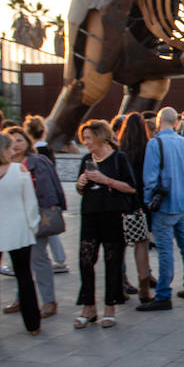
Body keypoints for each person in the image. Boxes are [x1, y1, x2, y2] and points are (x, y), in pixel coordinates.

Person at [0, 132, 41, 343]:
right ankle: (32, 324)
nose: (13, 151)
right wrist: (33, 227)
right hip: (18, 231)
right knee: (24, 278)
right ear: (2, 149)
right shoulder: (18, 170)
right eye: (10, 147)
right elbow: (30, 204)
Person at [74, 120, 137, 328]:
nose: (86, 142)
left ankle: (110, 306)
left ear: (101, 136)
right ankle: (88, 306)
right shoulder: (86, 159)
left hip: (112, 215)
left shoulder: (119, 158)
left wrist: (105, 179)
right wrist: (80, 184)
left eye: (89, 138)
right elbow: (80, 189)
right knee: (85, 259)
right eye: (84, 138)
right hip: (90, 214)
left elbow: (131, 188)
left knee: (113, 261)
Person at [138, 107, 184, 311]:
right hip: (182, 204)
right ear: (176, 122)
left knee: (165, 250)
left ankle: (164, 294)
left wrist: (149, 204)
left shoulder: (155, 144)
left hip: (164, 206)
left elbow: (150, 178)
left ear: (158, 121)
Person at [2, 126, 66, 318]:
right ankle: (22, 298)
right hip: (12, 218)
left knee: (38, 258)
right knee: (19, 262)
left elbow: (47, 189)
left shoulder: (37, 161)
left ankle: (48, 301)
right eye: (11, 141)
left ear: (27, 143)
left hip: (35, 216)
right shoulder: (2, 163)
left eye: (19, 140)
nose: (15, 145)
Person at [24, 114, 68, 273]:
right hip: (47, 195)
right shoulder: (47, 149)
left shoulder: (37, 152)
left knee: (46, 228)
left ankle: (60, 259)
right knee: (48, 229)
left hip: (41, 196)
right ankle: (60, 259)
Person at [118, 112, 154, 302]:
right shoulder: (148, 147)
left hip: (122, 202)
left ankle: (121, 281)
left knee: (120, 245)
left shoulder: (119, 150)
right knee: (141, 244)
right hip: (141, 203)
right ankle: (144, 285)